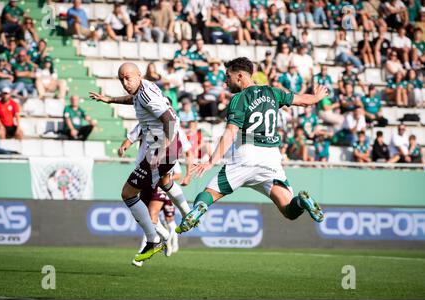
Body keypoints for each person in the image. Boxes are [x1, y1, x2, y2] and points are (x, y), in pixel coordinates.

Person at [175, 57, 328, 235]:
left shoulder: (239, 98)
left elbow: (231, 133)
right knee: (289, 209)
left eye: (228, 76)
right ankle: (301, 202)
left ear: (239, 76)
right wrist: (317, 97)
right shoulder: (273, 92)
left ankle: (198, 209)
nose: (225, 80)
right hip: (271, 159)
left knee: (209, 194)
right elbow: (303, 101)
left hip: (245, 156)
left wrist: (210, 162)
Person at [89, 62, 192, 263]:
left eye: (128, 77)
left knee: (127, 193)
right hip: (167, 148)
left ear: (139, 74)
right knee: (164, 182)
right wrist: (110, 100)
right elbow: (134, 98)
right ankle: (187, 213)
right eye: (121, 79)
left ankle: (153, 240)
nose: (125, 82)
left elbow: (169, 120)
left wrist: (163, 149)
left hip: (161, 150)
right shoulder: (146, 87)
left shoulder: (146, 94)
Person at [117, 122, 192, 267]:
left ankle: (146, 250)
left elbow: (188, 151)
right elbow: (130, 138)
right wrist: (124, 147)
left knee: (152, 213)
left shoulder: (173, 127)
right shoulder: (145, 123)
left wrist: (188, 174)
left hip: (159, 176)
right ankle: (164, 235)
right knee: (142, 214)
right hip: (143, 173)